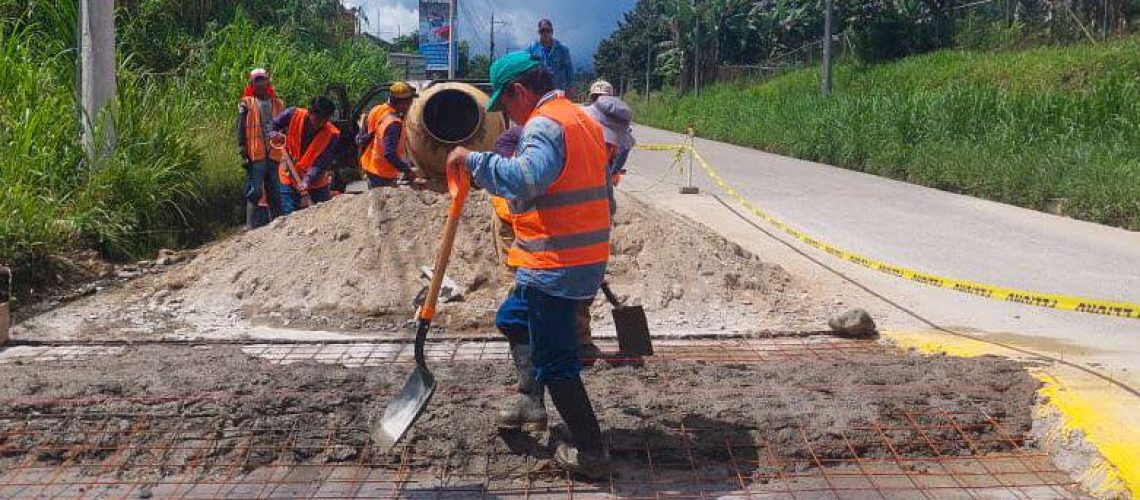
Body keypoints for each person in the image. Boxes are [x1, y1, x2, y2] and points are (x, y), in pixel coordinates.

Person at [446, 52, 611, 478]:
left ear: (521, 91)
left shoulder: (544, 123)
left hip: (555, 263)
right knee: (513, 319)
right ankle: (528, 399)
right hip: (576, 257)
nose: (507, 116)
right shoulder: (582, 119)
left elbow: (527, 178)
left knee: (556, 361)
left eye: (506, 105)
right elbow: (603, 194)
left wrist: (473, 161)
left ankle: (591, 451)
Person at [576, 95, 637, 359]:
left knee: (580, 286)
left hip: (582, 234)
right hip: (539, 232)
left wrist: (594, 247)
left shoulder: (598, 154)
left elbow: (606, 200)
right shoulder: (562, 143)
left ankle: (580, 342)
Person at [271, 96, 340, 214]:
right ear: (310, 112)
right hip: (289, 176)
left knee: (323, 215)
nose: (320, 123)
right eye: (318, 119)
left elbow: (321, 163)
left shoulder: (332, 134)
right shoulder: (293, 114)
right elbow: (272, 125)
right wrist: (274, 133)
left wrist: (307, 180)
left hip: (316, 183)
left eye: (325, 120)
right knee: (290, 216)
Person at [237, 68, 285, 228]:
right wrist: (242, 149)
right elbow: (240, 127)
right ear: (251, 83)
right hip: (255, 153)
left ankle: (278, 222)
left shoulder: (277, 103)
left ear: (267, 81)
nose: (260, 83)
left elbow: (284, 126)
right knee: (254, 190)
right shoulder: (246, 103)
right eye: (256, 80)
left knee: (274, 189)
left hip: (273, 152)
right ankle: (251, 225)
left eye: (262, 80)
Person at [356, 81, 419, 188]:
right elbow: (390, 154)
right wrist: (407, 171)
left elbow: (367, 135)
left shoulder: (377, 110)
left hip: (370, 166)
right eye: (410, 102)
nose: (410, 105)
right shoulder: (393, 124)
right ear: (402, 102)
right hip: (382, 173)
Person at [528, 19, 574, 97]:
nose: (545, 33)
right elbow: (527, 66)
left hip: (558, 90)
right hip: (539, 91)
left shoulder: (562, 48)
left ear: (552, 31)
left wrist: (570, 87)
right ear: (539, 32)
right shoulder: (532, 48)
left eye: (548, 30)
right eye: (542, 31)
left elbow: (569, 69)